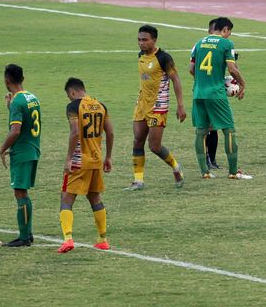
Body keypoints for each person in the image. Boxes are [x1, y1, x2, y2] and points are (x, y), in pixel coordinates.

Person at [189, 17, 251, 180]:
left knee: (201, 132)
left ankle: (205, 172)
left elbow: (191, 69)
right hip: (216, 94)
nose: (229, 36)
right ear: (225, 30)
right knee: (228, 130)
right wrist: (243, 84)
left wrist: (206, 79)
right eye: (229, 33)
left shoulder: (198, 43)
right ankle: (233, 172)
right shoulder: (226, 44)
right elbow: (232, 69)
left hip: (198, 93)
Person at [126, 25, 186, 190]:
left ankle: (176, 167)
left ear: (154, 40)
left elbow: (176, 80)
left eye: (145, 40)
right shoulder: (140, 56)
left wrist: (180, 106)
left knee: (154, 146)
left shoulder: (163, 58)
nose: (141, 43)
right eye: (139, 40)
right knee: (137, 140)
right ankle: (138, 181)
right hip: (141, 104)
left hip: (158, 105)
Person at [58, 77, 114, 253]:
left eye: (69, 95)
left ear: (72, 92)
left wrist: (68, 159)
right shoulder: (100, 105)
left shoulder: (73, 107)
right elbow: (110, 132)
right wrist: (109, 157)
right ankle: (102, 239)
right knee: (94, 197)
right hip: (96, 160)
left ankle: (68, 239)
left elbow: (75, 132)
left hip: (79, 160)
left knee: (66, 198)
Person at [0, 64, 41, 247]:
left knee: (20, 193)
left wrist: (2, 148)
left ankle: (24, 237)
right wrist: (10, 107)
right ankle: (27, 234)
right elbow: (27, 122)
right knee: (23, 192)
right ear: (22, 78)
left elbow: (15, 131)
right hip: (32, 149)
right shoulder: (32, 97)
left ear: (7, 81)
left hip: (22, 153)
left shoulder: (17, 101)